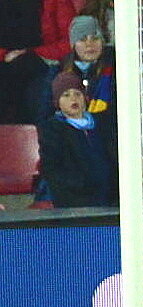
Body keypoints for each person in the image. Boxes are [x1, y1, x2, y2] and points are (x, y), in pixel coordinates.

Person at [0, 0, 75, 124]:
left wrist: (33, 53)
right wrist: (5, 55)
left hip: (43, 62)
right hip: (5, 62)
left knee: (38, 90)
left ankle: (34, 135)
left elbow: (70, 40)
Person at [39, 68, 114, 207]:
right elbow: (52, 170)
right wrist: (81, 185)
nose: (73, 99)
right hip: (74, 199)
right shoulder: (53, 129)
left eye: (78, 94)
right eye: (66, 95)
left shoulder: (102, 122)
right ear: (57, 102)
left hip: (108, 196)